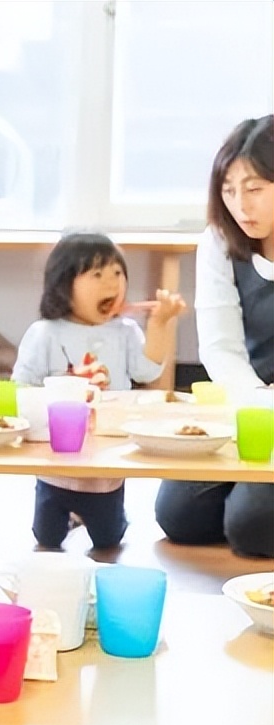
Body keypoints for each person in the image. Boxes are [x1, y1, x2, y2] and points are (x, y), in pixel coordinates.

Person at [11, 232, 186, 551]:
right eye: (97, 274)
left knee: (108, 539)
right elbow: (20, 387)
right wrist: (64, 385)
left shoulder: (125, 331)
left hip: (108, 454)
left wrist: (159, 324)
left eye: (117, 273)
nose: (111, 283)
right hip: (56, 458)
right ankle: (66, 515)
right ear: (64, 284)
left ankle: (104, 517)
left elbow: (147, 371)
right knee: (47, 537)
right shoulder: (44, 333)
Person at [156, 116, 274, 558]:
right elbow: (221, 347)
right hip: (247, 406)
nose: (241, 205)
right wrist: (258, 406)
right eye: (229, 190)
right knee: (179, 515)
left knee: (251, 527)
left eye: (255, 188)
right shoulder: (220, 241)